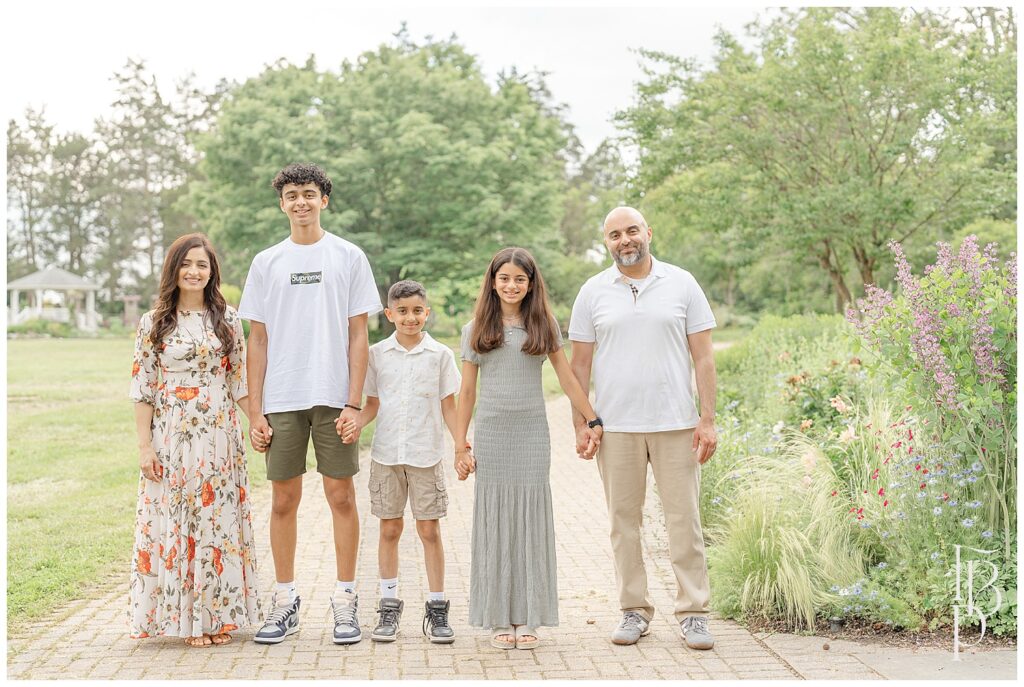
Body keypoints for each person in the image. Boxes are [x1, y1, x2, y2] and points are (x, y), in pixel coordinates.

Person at [239, 163, 382, 645]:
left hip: (332, 395)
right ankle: (285, 601)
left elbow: (359, 334)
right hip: (281, 398)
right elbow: (256, 340)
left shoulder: (348, 256)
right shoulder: (266, 262)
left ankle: (345, 600)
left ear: (325, 200)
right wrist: (255, 411)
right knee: (283, 500)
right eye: (292, 195)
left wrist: (353, 403)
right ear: (282, 204)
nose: (301, 202)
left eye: (310, 194)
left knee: (341, 496)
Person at [568, 206, 718, 650]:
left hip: (676, 423)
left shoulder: (682, 283)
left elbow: (704, 356)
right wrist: (582, 422)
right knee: (623, 523)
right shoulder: (592, 291)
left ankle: (693, 613)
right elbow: (579, 365)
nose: (625, 240)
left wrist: (707, 418)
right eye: (615, 234)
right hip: (616, 428)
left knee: (683, 521)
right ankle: (633, 610)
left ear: (648, 232)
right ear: (607, 242)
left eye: (631, 231)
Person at [454, 247, 603, 650]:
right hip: (493, 432)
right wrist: (458, 444)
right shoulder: (475, 330)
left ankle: (530, 617)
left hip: (532, 434)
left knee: (530, 521)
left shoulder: (544, 323)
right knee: (497, 521)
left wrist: (591, 418)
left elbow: (569, 378)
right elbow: (466, 391)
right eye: (504, 278)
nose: (511, 285)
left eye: (520, 279)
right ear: (493, 281)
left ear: (531, 283)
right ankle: (500, 617)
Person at [128, 233, 261, 648]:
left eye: (202, 265)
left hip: (220, 434)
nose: (194, 271)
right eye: (187, 264)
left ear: (212, 271)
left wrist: (257, 420)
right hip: (172, 433)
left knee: (217, 521)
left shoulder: (229, 319)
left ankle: (217, 616)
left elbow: (240, 380)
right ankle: (184, 621)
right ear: (174, 269)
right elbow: (143, 386)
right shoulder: (154, 323)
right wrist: (145, 446)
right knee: (178, 519)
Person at [338, 280, 460, 644]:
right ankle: (388, 606)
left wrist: (462, 446)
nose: (410, 318)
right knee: (389, 529)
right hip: (387, 455)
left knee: (429, 531)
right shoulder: (377, 355)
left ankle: (437, 608)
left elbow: (448, 406)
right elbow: (371, 402)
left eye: (417, 311)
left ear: (427, 312)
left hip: (425, 455)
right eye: (402, 312)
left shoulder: (440, 356)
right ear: (390, 314)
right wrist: (357, 421)